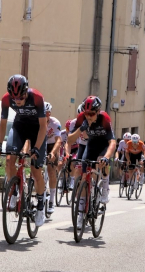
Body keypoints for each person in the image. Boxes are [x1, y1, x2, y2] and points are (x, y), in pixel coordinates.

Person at [0, 75, 49, 227]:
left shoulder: (37, 97)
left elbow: (44, 126)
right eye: (14, 98)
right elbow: (3, 124)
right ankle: (14, 191)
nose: (17, 101)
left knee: (35, 170)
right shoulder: (6, 99)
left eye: (21, 97)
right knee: (10, 158)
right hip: (20, 126)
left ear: (26, 92)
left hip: (37, 129)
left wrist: (36, 148)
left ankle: (40, 204)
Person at [65, 96, 116, 229]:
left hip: (104, 144)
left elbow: (112, 142)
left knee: (101, 161)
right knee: (83, 177)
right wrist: (81, 129)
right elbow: (70, 140)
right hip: (91, 144)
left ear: (98, 112)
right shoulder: (82, 118)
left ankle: (105, 188)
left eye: (91, 114)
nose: (88, 117)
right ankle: (81, 214)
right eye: (86, 113)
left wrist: (107, 156)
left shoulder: (104, 118)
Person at [43, 102, 63, 215]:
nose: (45, 115)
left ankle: (51, 200)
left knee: (51, 170)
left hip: (52, 145)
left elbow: (58, 140)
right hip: (41, 144)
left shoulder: (55, 123)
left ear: (50, 114)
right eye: (43, 113)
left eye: (47, 114)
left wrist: (52, 153)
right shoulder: (37, 120)